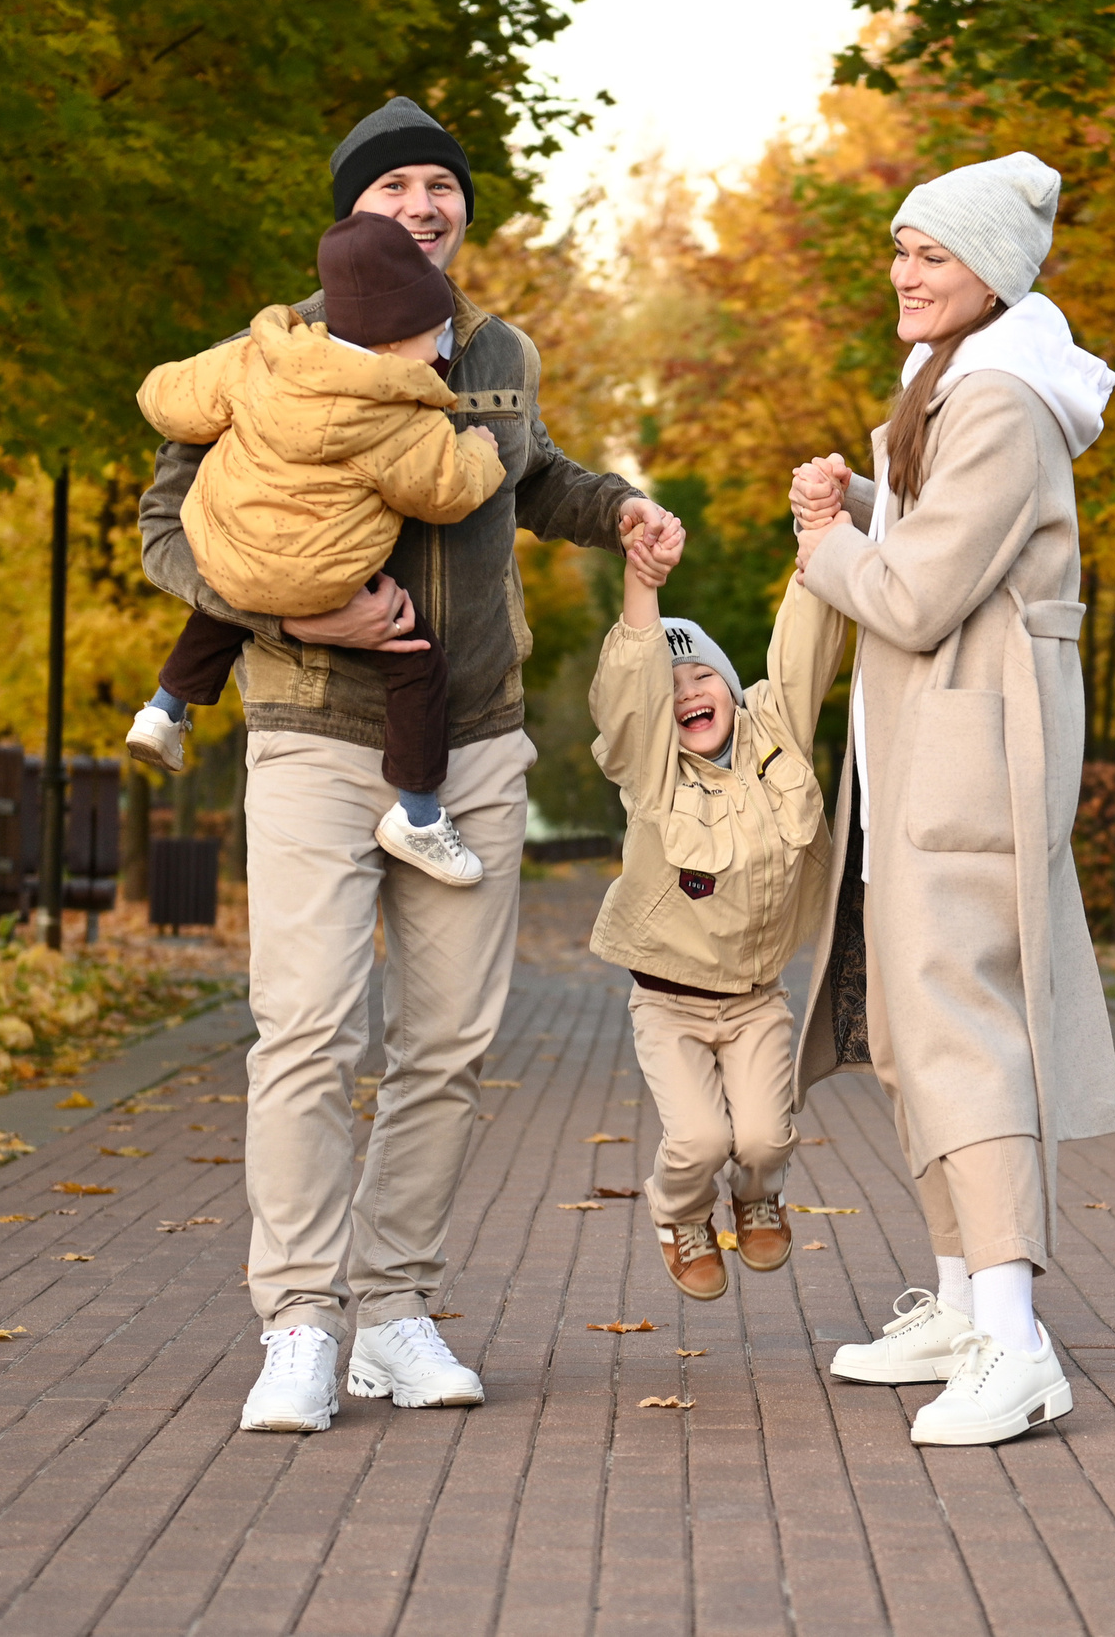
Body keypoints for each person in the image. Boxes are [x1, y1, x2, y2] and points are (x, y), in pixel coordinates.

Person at [139, 97, 683, 1431]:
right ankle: (300, 1321)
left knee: (446, 1045)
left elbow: (528, 475)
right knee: (313, 1031)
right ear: (350, 217)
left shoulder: (496, 349)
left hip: (477, 738)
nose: (424, 205)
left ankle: (391, 1307)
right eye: (397, 190)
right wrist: (290, 611)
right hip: (314, 728)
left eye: (443, 186)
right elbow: (167, 527)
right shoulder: (271, 354)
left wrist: (617, 510)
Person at [786, 151, 1115, 1448]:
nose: (902, 274)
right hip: (926, 741)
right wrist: (866, 502)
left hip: (974, 746)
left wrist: (828, 550)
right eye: (898, 249)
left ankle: (1017, 1340)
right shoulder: (956, 388)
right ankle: (957, 1306)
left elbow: (920, 595)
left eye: (928, 254)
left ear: (992, 271)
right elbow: (939, 543)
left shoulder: (996, 402)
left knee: (961, 1031)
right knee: (908, 1032)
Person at [128, 212, 506, 886]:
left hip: (228, 544)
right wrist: (482, 451)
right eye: (431, 332)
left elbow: (168, 399)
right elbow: (447, 492)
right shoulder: (398, 420)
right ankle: (418, 815)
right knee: (418, 661)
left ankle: (165, 709)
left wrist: (162, 383)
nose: (438, 344)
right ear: (394, 344)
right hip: (323, 581)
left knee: (226, 601)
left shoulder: (258, 358)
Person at [585, 520, 848, 1300]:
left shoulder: (777, 733)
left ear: (729, 687)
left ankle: (759, 1195)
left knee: (766, 1137)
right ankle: (681, 1215)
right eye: (669, 694)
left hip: (757, 996)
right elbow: (627, 700)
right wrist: (643, 585)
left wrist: (818, 539)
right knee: (699, 1140)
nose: (686, 695)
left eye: (699, 676)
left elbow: (802, 648)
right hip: (668, 1002)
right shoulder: (653, 775)